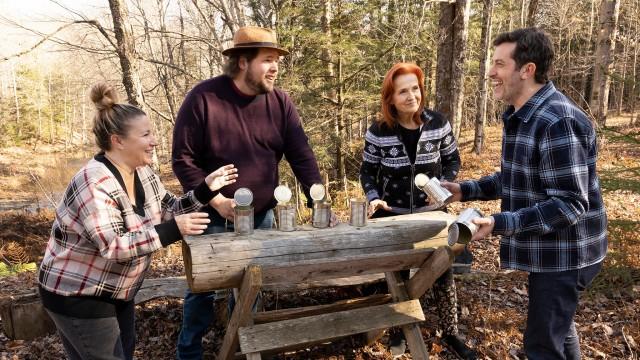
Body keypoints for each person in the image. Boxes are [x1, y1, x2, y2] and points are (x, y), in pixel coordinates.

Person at [38, 83, 237, 360]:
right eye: (145, 134)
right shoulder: (94, 182)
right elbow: (114, 247)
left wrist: (206, 189)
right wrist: (173, 230)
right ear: (118, 140)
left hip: (116, 290)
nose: (154, 141)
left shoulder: (143, 173)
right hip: (78, 294)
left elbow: (172, 209)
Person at [441, 27, 607, 359]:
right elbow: (518, 177)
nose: (491, 72)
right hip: (550, 250)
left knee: (541, 346)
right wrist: (464, 191)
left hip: (567, 255)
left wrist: (500, 222)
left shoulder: (557, 120)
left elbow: (570, 204)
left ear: (527, 70)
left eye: (500, 64)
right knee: (560, 332)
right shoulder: (522, 116)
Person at [172, 26, 335, 360]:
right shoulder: (203, 99)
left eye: (277, 60)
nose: (275, 67)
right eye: (268, 60)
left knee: (252, 288)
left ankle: (246, 350)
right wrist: (215, 200)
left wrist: (317, 200)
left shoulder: (280, 102)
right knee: (201, 291)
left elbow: (301, 154)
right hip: (210, 217)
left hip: (262, 217)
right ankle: (188, 353)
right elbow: (182, 160)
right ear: (243, 61)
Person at [360, 62, 476, 359]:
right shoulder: (378, 131)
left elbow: (452, 160)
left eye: (415, 88)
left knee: (441, 269)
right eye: (403, 91)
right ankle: (399, 328)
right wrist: (374, 197)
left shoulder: (438, 123)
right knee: (397, 274)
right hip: (393, 214)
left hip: (432, 213)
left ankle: (451, 332)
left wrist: (444, 188)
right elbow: (367, 173)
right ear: (391, 98)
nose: (411, 96)